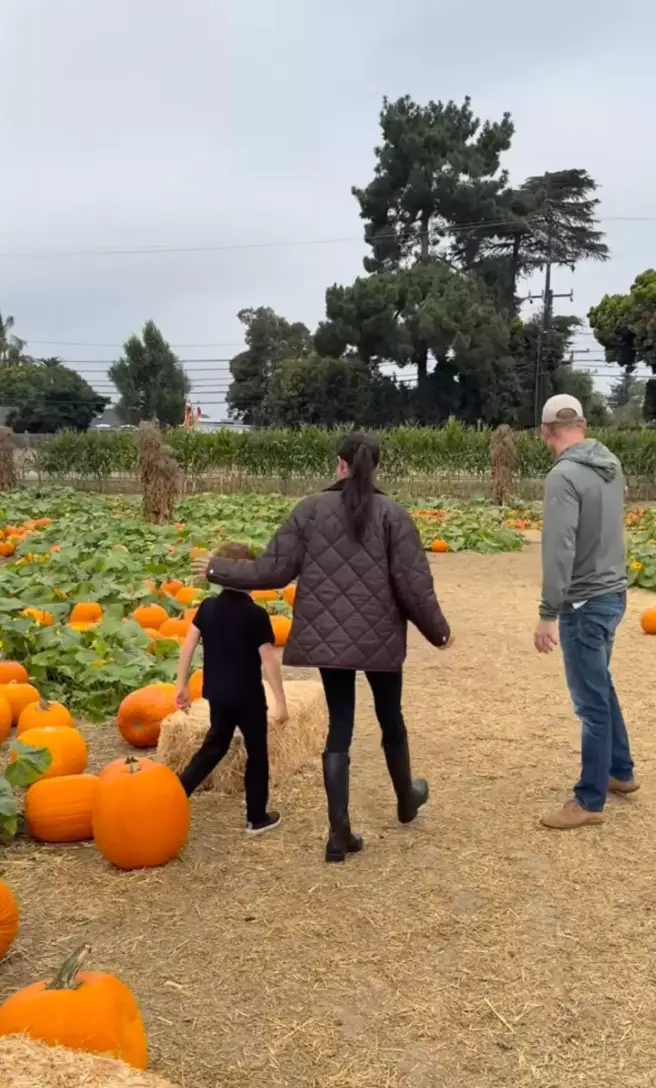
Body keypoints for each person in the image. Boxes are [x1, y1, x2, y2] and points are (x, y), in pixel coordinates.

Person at [192, 432, 453, 863]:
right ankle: (406, 798)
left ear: (340, 465)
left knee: (340, 728)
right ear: (377, 467)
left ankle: (339, 833)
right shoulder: (394, 515)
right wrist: (439, 632)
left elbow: (273, 569)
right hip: (381, 639)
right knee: (391, 718)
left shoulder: (310, 510)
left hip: (330, 640)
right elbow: (414, 586)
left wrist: (220, 568)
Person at [534, 394, 636, 830]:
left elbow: (560, 550)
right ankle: (621, 771)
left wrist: (547, 612)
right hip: (614, 594)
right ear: (585, 424)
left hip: (584, 601)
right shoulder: (609, 466)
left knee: (590, 701)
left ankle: (589, 800)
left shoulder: (564, 477)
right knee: (602, 686)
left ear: (544, 432)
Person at [175, 541, 288, 836]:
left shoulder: (208, 607)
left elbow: (187, 647)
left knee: (215, 746)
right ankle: (256, 817)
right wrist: (281, 702)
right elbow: (268, 662)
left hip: (217, 693)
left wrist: (181, 685)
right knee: (257, 753)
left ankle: (175, 795)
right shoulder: (256, 615)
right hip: (248, 697)